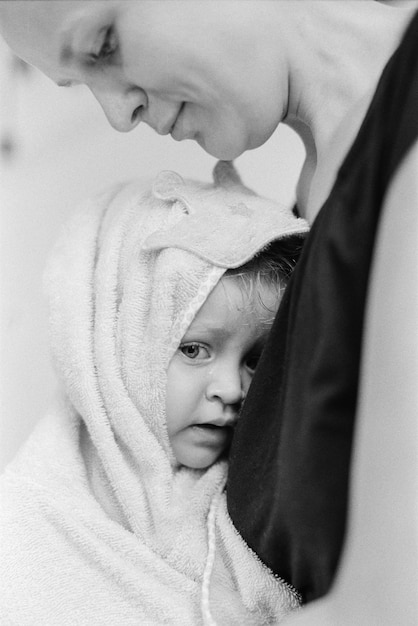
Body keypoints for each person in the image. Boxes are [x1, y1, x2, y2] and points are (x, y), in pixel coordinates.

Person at [0, 2, 417, 622]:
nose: (120, 115)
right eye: (81, 87)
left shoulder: (400, 134)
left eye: (104, 44)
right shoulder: (300, 222)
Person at [0, 160, 308, 624]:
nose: (231, 389)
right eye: (194, 349)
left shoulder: (260, 495)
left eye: (254, 359)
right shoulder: (33, 518)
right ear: (116, 348)